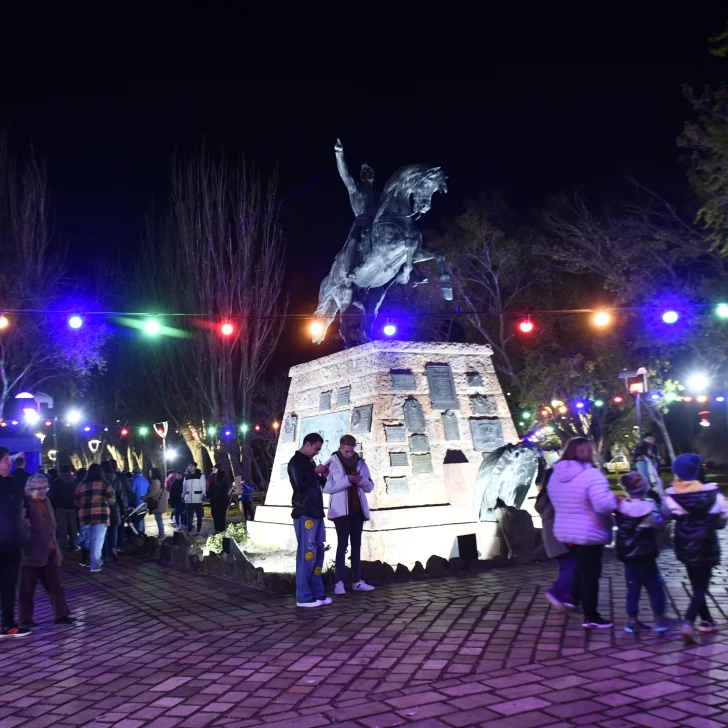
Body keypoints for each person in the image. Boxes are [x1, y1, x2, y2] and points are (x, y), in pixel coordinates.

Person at [547, 437, 617, 629]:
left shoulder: (556, 474)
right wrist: (617, 502)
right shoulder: (591, 474)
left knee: (580, 567)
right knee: (591, 574)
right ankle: (591, 616)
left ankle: (573, 599)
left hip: (566, 529)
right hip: (589, 529)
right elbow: (603, 503)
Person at [662, 453, 728, 645]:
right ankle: (689, 622)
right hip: (706, 543)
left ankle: (706, 620)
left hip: (685, 544)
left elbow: (666, 515)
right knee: (702, 585)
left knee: (695, 583)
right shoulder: (713, 495)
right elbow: (721, 521)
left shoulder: (672, 496)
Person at [616, 472, 669, 633]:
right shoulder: (650, 508)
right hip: (646, 555)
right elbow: (660, 523)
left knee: (633, 587)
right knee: (655, 586)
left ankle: (632, 619)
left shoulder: (621, 508)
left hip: (628, 555)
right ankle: (660, 619)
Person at [19, 474, 74, 628]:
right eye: (39, 488)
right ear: (30, 490)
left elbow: (51, 526)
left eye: (45, 488)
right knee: (27, 589)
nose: (43, 491)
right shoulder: (25, 504)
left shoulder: (46, 501)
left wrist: (56, 549)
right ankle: (25, 619)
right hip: (31, 553)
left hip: (49, 550)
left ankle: (61, 615)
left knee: (55, 586)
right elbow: (23, 529)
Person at [323, 434, 375, 595]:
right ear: (340, 448)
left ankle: (356, 581)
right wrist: (346, 480)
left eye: (352, 451)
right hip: (341, 512)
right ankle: (339, 582)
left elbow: (370, 486)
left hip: (358, 510)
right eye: (347, 451)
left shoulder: (361, 463)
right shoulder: (331, 464)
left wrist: (361, 481)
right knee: (342, 545)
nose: (350, 454)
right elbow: (326, 487)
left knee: (356, 546)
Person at [288, 433, 332, 608]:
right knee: (307, 555)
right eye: (316, 448)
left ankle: (317, 593)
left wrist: (323, 477)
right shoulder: (295, 462)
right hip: (304, 512)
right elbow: (299, 486)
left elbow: (315, 486)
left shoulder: (309, 462)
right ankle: (303, 596)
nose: (316, 452)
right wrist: (315, 473)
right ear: (307, 444)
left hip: (316, 512)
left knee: (318, 553)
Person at [535, 468, 576, 610]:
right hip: (558, 536)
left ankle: (567, 596)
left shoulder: (546, 496)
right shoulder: (554, 497)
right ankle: (556, 593)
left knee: (566, 567)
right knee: (571, 567)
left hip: (554, 536)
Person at [0, 446, 31, 637]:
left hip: (12, 542)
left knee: (9, 584)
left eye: (10, 460)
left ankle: (8, 624)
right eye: (5, 460)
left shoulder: (13, 483)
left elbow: (23, 507)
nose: (9, 463)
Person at [76, 463, 116, 573]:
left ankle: (93, 559)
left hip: (85, 515)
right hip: (101, 515)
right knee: (97, 541)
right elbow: (112, 499)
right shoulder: (104, 484)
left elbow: (76, 501)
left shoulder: (81, 485)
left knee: (89, 540)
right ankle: (95, 565)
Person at [49, 464, 78, 550]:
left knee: (62, 527)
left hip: (60, 507)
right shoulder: (75, 482)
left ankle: (63, 545)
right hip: (72, 506)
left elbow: (52, 496)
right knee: (73, 526)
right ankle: (73, 544)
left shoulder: (56, 482)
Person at [182, 462, 206, 535]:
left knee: (199, 515)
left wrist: (204, 494)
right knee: (189, 515)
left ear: (195, 467)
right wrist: (183, 496)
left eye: (191, 466)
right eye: (189, 466)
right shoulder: (186, 476)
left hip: (198, 498)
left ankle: (199, 529)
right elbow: (184, 487)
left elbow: (203, 485)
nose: (190, 467)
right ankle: (189, 529)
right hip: (189, 499)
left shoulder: (200, 475)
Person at [145, 468, 168, 539]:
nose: (149, 475)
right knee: (159, 519)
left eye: (150, 473)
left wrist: (145, 496)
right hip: (159, 503)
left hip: (157, 504)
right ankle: (161, 534)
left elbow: (153, 493)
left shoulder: (155, 482)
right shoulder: (159, 481)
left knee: (159, 520)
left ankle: (162, 535)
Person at [208, 464, 230, 534]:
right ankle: (217, 529)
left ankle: (221, 529)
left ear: (218, 469)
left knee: (221, 514)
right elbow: (210, 487)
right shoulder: (211, 476)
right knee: (214, 514)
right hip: (214, 499)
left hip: (221, 499)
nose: (212, 469)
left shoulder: (223, 476)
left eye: (214, 468)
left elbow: (224, 488)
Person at [130, 467, 150, 533]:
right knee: (142, 517)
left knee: (137, 520)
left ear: (134, 473)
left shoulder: (134, 480)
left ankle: (139, 535)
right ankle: (143, 533)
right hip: (144, 503)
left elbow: (131, 492)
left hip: (136, 503)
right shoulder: (146, 480)